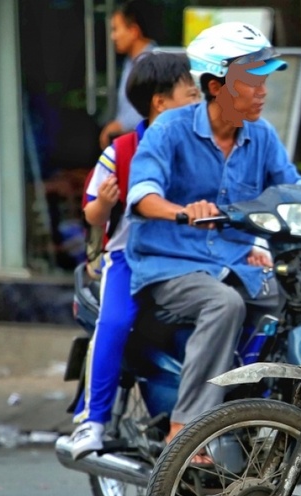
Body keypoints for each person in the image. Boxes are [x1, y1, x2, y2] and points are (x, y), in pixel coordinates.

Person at [125, 22, 301, 450]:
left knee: (287, 300)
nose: (262, 91)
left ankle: (250, 411)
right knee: (223, 304)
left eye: (265, 79)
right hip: (170, 264)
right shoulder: (170, 130)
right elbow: (142, 194)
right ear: (214, 85)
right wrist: (181, 212)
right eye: (252, 81)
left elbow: (293, 187)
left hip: (232, 264)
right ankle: (185, 430)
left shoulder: (262, 136)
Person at [67, 52, 202, 460]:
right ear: (160, 101)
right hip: (129, 257)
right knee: (116, 320)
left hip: (187, 258)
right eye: (190, 92)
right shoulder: (121, 150)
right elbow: (91, 212)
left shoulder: (202, 145)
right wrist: (105, 205)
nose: (198, 99)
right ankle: (92, 420)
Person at [99, 0, 157, 149]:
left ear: (133, 31)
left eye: (116, 29)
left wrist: (120, 125)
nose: (113, 36)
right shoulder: (130, 60)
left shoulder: (153, 63)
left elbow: (152, 107)